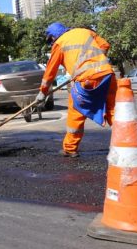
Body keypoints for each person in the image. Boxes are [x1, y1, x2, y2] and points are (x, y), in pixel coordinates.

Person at [35, 22, 117, 158]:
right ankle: (123, 142)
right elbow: (105, 45)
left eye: (50, 39)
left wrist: (42, 92)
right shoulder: (85, 31)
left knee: (76, 112)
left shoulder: (59, 43)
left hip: (86, 80)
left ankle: (70, 148)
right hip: (107, 74)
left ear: (54, 36)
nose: (51, 43)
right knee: (113, 109)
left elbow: (50, 71)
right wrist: (93, 62)